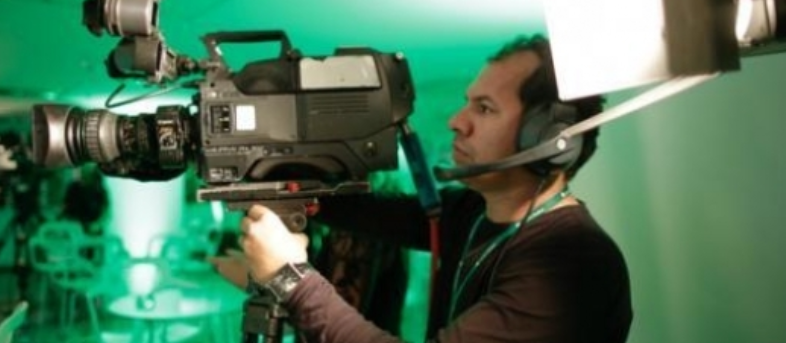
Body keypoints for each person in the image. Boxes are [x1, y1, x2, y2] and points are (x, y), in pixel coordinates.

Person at [213, 35, 633, 342]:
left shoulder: (575, 261)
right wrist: (270, 171)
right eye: (468, 102)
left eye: (484, 108)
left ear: (546, 139)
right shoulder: (471, 211)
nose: (457, 121)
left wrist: (289, 278)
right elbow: (367, 212)